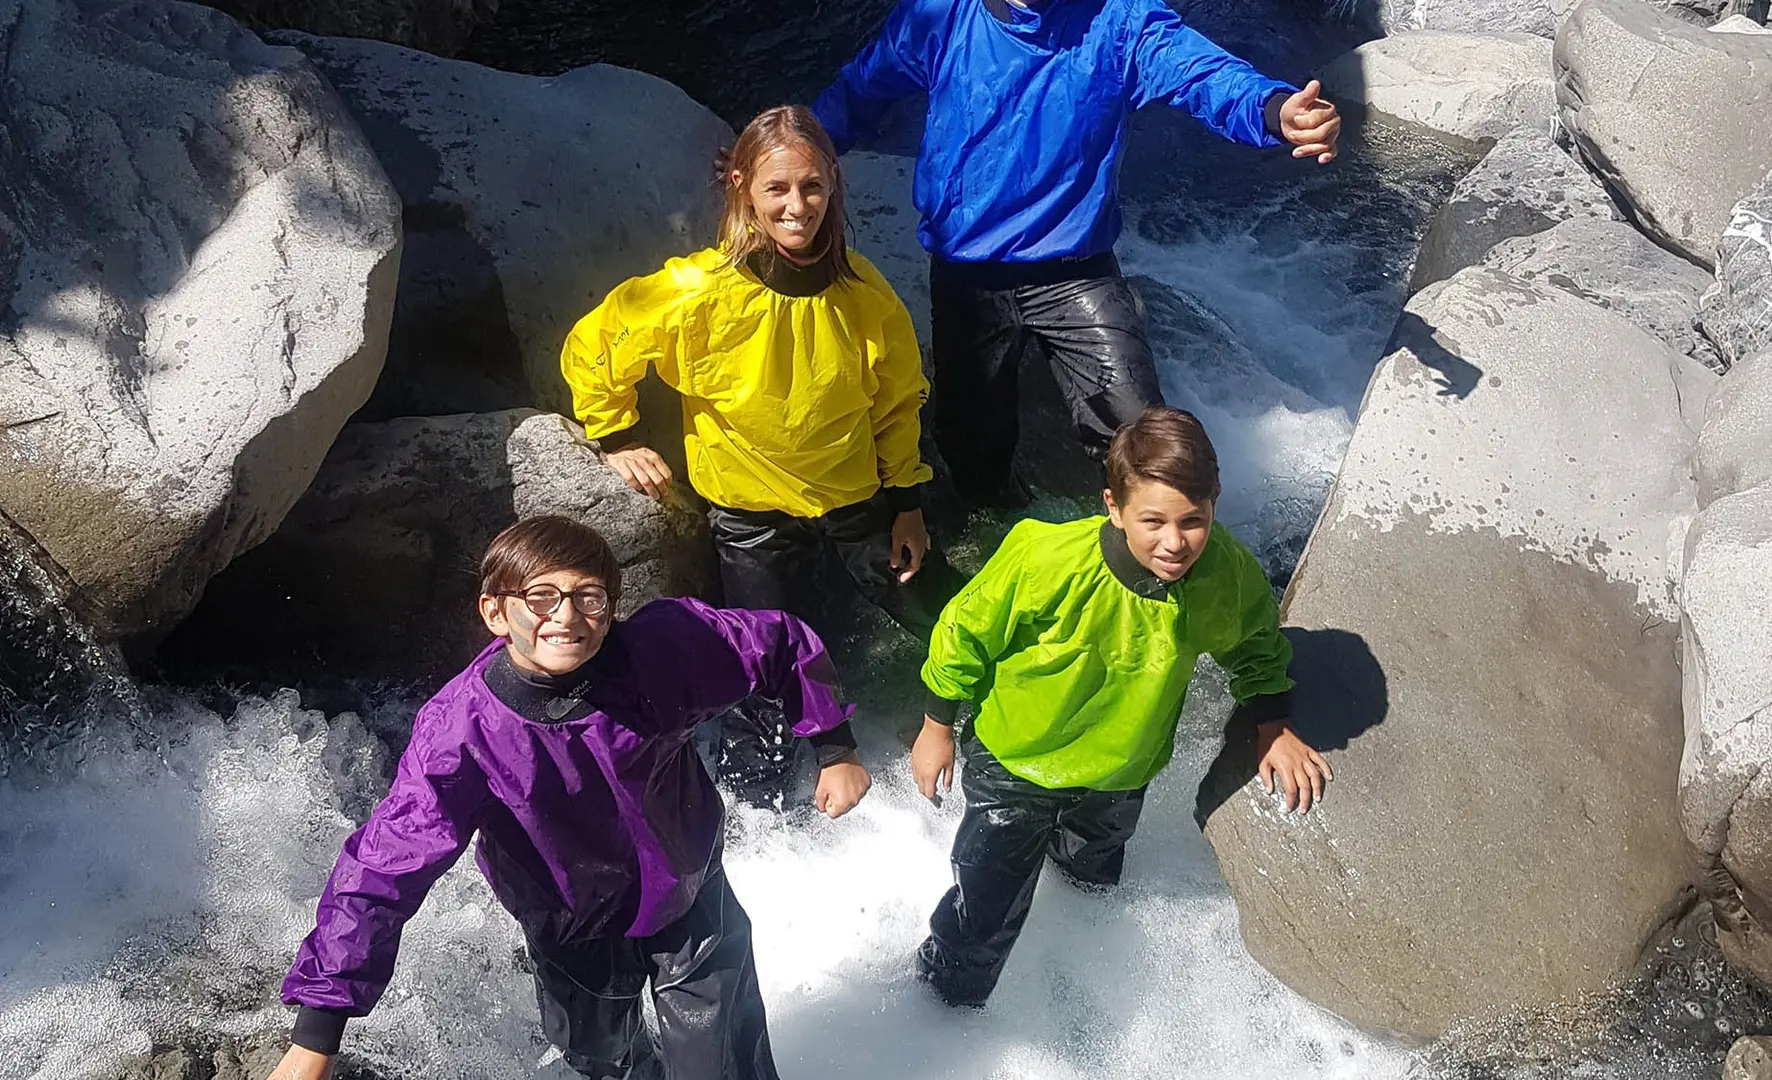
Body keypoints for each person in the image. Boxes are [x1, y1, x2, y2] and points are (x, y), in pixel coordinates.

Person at [264, 515, 870, 1080]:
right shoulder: (461, 731)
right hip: (571, 923)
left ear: (611, 610)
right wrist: (318, 1029)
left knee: (723, 1058)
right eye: (541, 597)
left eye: (589, 597)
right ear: (495, 613)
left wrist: (834, 746)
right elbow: (384, 867)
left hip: (688, 891)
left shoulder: (663, 650)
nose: (568, 616)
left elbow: (779, 643)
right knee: (604, 1057)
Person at [561, 104, 965, 803]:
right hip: (750, 517)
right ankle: (770, 812)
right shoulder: (697, 293)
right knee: (761, 670)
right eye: (778, 189)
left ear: (833, 185)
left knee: (955, 617)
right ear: (744, 187)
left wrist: (907, 505)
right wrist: (616, 433)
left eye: (811, 187)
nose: (796, 206)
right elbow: (600, 342)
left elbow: (898, 407)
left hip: (853, 501)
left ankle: (989, 727)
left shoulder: (866, 298)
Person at [813, 0, 1343, 508]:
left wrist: (1276, 110)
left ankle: (1150, 562)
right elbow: (862, 90)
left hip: (1075, 272)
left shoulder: (1118, 17)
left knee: (1141, 440)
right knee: (972, 451)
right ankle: (1003, 527)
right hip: (968, 274)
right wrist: (791, 150)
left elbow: (1203, 73)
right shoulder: (941, 13)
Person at [908, 406, 1331, 1006]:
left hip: (1119, 775)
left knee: (1092, 879)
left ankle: (1076, 968)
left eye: (1194, 520)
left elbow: (1256, 646)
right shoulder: (1046, 559)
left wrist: (1273, 726)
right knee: (984, 910)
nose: (1175, 541)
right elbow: (964, 633)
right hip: (1016, 764)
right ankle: (939, 1008)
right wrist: (936, 726)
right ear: (1113, 505)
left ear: (1215, 504)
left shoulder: (1226, 575)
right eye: (1152, 520)